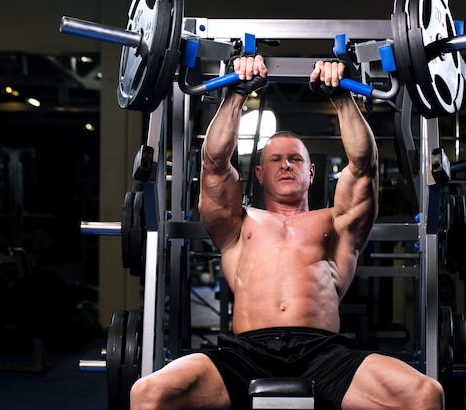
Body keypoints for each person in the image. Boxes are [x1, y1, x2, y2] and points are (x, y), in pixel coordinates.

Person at [130, 55, 444, 410]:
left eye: (295, 159)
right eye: (276, 160)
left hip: (324, 352)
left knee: (425, 394)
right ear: (260, 174)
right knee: (148, 394)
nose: (285, 165)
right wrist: (235, 92)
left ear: (312, 172)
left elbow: (363, 165)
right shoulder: (238, 224)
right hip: (246, 352)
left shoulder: (336, 224)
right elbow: (214, 164)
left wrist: (342, 97)